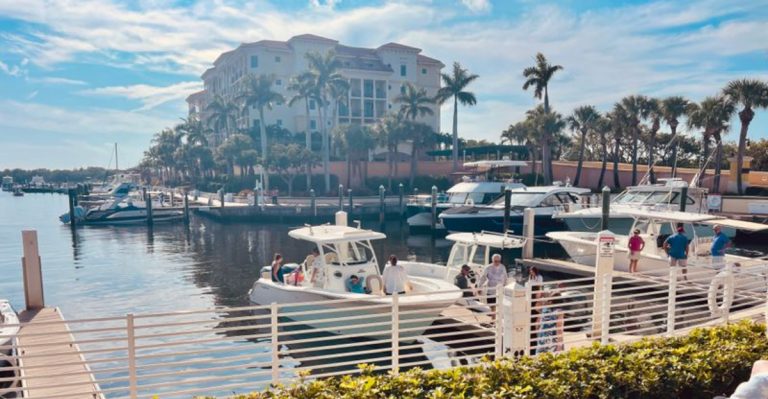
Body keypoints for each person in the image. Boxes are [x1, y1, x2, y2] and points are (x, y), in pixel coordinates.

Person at [478, 254, 508, 321]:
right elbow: (483, 278)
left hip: (500, 291)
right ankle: (494, 319)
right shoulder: (488, 267)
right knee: (491, 305)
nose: (497, 262)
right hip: (490, 290)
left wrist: (505, 288)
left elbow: (505, 278)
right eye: (495, 261)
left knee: (498, 306)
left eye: (498, 261)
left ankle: (494, 320)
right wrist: (479, 287)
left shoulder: (503, 267)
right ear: (492, 260)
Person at [534, 290, 565, 354]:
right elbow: (559, 329)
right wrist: (560, 345)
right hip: (552, 341)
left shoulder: (544, 309)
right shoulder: (559, 312)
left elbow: (537, 324)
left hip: (541, 339)